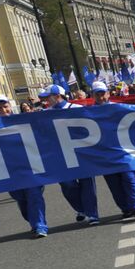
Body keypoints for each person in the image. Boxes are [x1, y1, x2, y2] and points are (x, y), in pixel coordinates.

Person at [39, 84, 101, 225]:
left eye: (48, 97)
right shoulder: (44, 113)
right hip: (60, 156)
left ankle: (92, 214)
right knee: (67, 185)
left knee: (87, 184)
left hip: (81, 153)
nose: (46, 100)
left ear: (58, 96)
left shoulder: (77, 109)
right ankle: (81, 209)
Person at [0, 94, 48, 236]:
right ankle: (33, 220)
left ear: (10, 106)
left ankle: (39, 225)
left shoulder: (22, 120)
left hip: (31, 166)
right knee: (20, 198)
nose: (3, 110)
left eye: (5, 106)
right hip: (9, 170)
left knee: (34, 195)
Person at [89, 83, 135, 220]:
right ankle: (126, 209)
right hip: (103, 154)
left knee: (129, 178)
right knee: (114, 184)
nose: (101, 97)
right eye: (97, 94)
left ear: (108, 93)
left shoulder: (118, 108)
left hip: (123, 151)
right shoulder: (88, 112)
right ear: (92, 95)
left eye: (103, 93)